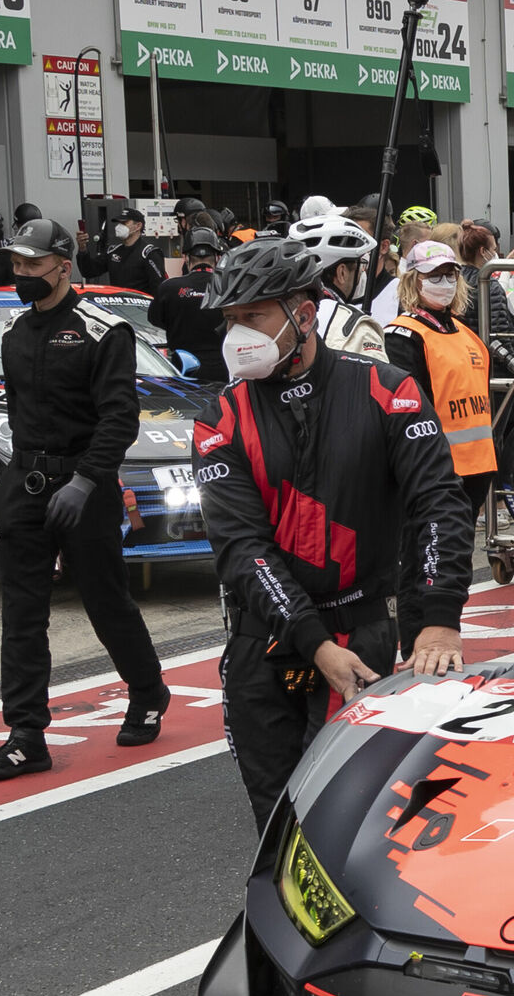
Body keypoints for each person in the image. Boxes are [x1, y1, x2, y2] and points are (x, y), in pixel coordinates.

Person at [191, 238, 473, 829]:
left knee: (348, 823)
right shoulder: (218, 417)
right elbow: (242, 550)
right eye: (230, 320)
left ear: (305, 312)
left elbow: (439, 504)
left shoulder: (386, 389)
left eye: (253, 316)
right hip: (263, 645)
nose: (237, 333)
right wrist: (315, 643)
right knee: (278, 828)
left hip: (365, 634)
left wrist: (438, 616)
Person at [0, 217, 170, 782]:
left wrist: (85, 480)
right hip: (26, 484)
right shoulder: (14, 333)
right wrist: (14, 482)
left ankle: (149, 691)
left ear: (63, 264)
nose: (23, 273)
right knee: (21, 616)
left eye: (33, 264)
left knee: (106, 602)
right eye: (17, 264)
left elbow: (119, 418)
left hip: (86, 487)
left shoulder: (104, 330)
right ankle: (26, 735)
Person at [381, 237, 496, 547]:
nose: (444, 282)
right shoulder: (402, 335)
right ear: (413, 281)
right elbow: (409, 409)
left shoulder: (466, 333)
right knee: (435, 557)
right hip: (437, 472)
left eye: (450, 275)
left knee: (457, 557)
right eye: (434, 276)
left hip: (477, 467)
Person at [285, 198, 388, 360]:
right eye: (360, 266)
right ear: (341, 273)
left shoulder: (279, 314)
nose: (363, 273)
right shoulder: (357, 328)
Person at [152, 227, 229, 381]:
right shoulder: (229, 286)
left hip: (183, 370)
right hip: (225, 370)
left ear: (186, 258)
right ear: (217, 257)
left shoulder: (169, 288)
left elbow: (155, 321)